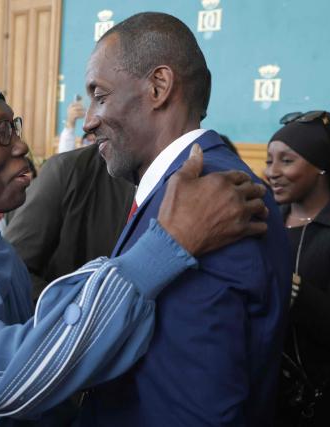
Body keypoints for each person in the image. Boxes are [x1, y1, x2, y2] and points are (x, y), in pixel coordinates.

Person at [0, 69, 269, 426]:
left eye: (15, 126)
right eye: (0, 132)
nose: (22, 145)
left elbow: (43, 361)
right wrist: (162, 250)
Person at [77, 13, 291, 426]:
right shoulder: (185, 188)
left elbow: (195, 410)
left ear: (158, 87)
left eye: (99, 96)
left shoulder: (211, 199)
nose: (87, 120)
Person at [264, 111, 330, 426]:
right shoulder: (267, 220)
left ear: (321, 166)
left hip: (329, 402)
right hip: (269, 392)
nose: (272, 172)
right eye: (269, 160)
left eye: (287, 161)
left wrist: (286, 282)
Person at [5, 142, 135, 298]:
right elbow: (11, 268)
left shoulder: (168, 184)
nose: (88, 124)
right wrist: (76, 313)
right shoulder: (68, 171)